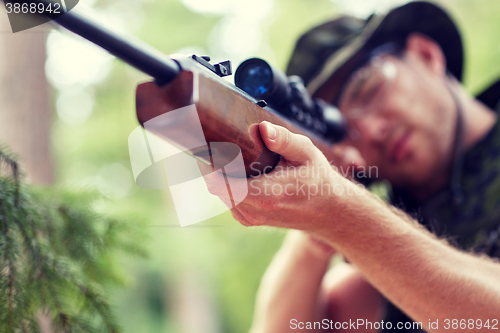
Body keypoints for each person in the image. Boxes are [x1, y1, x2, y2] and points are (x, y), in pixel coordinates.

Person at [206, 1, 500, 332]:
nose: (372, 132)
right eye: (345, 132)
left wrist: (343, 215)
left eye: (369, 90)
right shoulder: (378, 264)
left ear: (426, 54)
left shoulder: (380, 242)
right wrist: (315, 231)